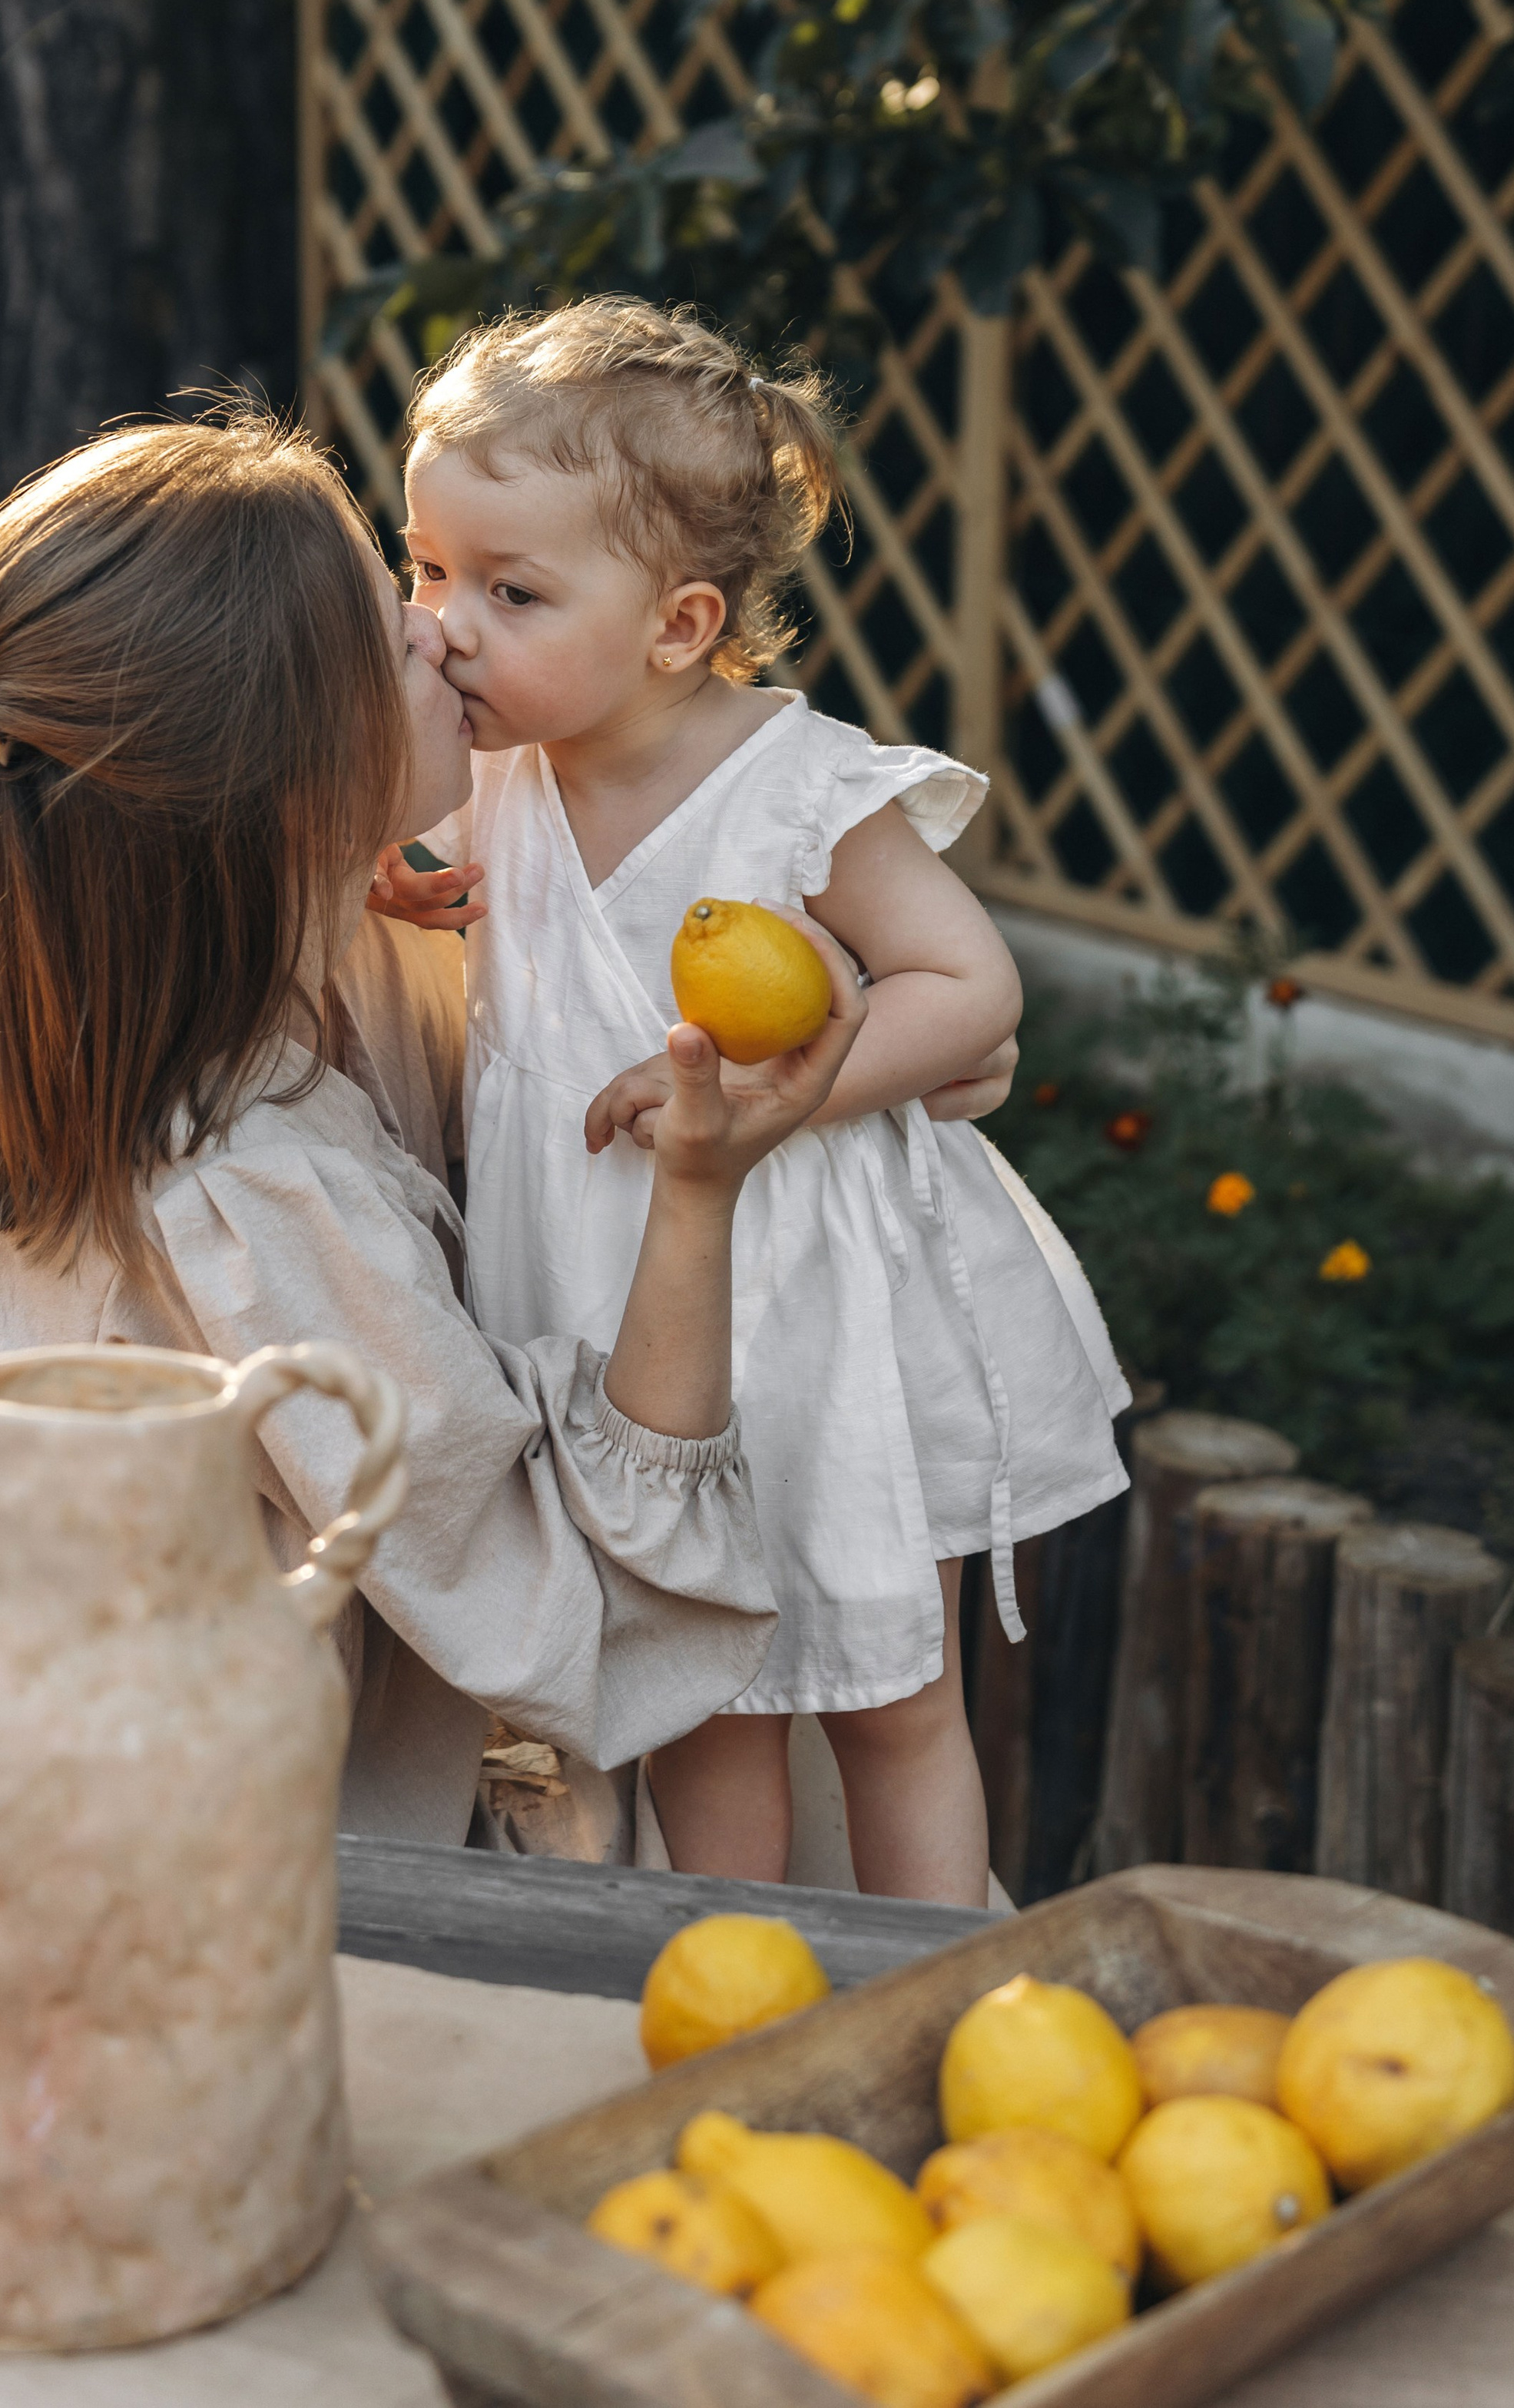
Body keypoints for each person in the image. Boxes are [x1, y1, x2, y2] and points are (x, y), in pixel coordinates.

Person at [0, 409, 868, 1845]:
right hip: (228, 1926)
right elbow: (585, 1630)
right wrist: (698, 1193)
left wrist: (904, 1014)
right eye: (387, 620)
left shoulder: (196, 1008)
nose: (437, 636)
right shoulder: (254, 1202)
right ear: (295, 770)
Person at [394, 298, 1129, 1905]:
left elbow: (966, 989)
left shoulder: (794, 786)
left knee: (889, 1699)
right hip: (618, 1328)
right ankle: (730, 1997)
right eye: (427, 568)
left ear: (677, 623)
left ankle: (929, 1989)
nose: (446, 622)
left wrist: (780, 1107)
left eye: (509, 590)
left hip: (815, 1316)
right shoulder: (492, 784)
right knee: (697, 1705)